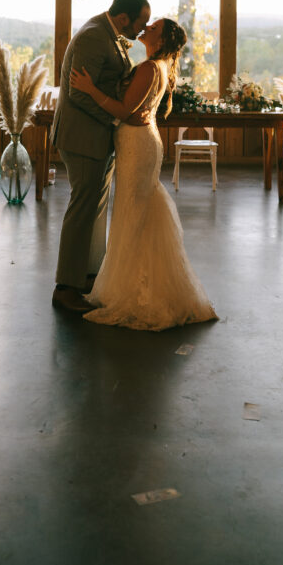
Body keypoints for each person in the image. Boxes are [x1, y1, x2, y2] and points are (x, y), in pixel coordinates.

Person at [69, 17, 218, 331]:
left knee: (133, 212)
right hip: (140, 142)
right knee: (136, 211)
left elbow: (125, 111)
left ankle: (139, 291)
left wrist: (89, 89)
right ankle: (135, 281)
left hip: (138, 145)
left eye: (154, 27)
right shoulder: (157, 66)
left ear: (161, 41)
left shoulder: (151, 68)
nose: (147, 27)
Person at [51, 0, 151, 313]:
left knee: (94, 212)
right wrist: (115, 116)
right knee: (82, 210)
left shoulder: (111, 34)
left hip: (99, 138)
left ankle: (89, 277)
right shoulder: (94, 37)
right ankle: (65, 287)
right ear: (124, 18)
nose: (142, 30)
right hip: (82, 138)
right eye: (141, 22)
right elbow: (77, 94)